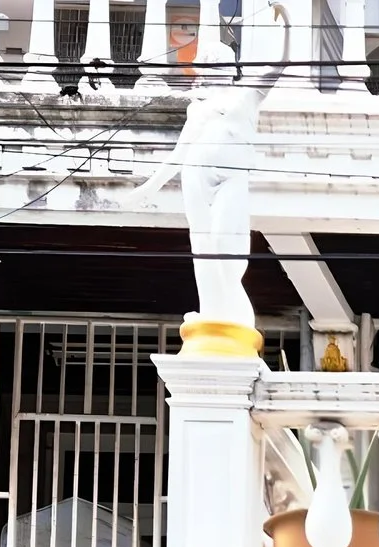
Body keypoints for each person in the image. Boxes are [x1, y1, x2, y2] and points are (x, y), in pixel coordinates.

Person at [124, 7, 292, 343]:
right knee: (202, 247)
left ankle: (235, 312)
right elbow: (181, 150)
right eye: (208, 66)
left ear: (230, 69)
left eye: (218, 65)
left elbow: (280, 67)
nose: (212, 72)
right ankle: (213, 311)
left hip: (231, 177)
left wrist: (287, 25)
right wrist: (150, 186)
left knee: (224, 243)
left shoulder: (246, 96)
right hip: (195, 176)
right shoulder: (197, 107)